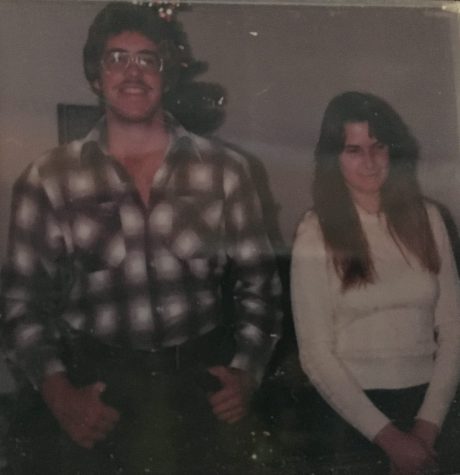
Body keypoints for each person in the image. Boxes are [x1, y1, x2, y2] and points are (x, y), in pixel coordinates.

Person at [1, 3, 281, 474]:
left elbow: (261, 288)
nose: (133, 72)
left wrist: (246, 373)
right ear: (96, 76)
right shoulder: (47, 178)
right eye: (116, 58)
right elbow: (19, 303)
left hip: (201, 393)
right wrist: (59, 394)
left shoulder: (227, 171)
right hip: (97, 396)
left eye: (147, 59)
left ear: (166, 73)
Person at [291, 91, 460, 475]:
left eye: (378, 146)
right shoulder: (315, 232)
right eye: (353, 150)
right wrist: (391, 440)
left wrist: (427, 427)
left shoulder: (429, 219)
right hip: (354, 419)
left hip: (430, 408)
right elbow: (315, 354)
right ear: (333, 159)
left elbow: (454, 328)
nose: (369, 162)